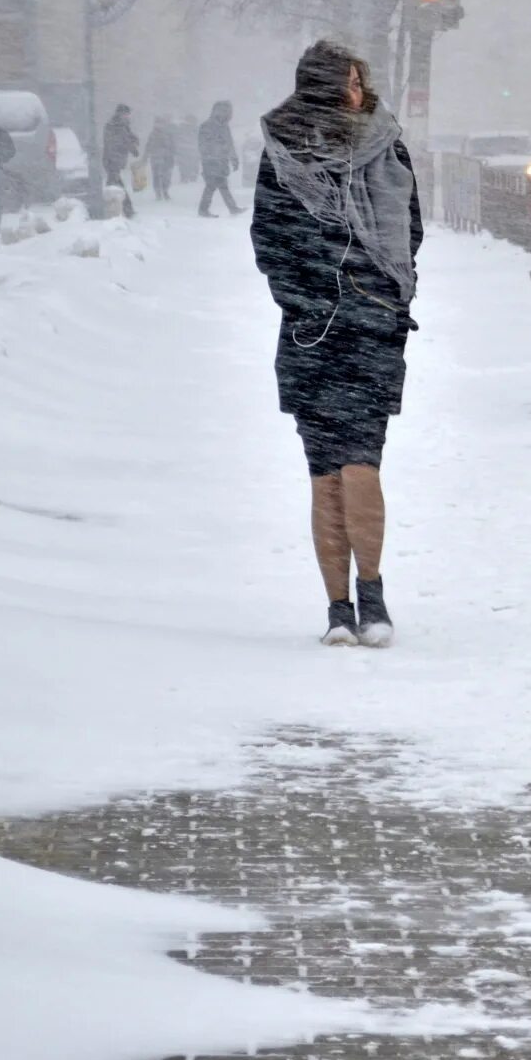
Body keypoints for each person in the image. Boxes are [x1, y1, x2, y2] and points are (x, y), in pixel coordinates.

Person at [251, 43, 422, 648]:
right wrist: (312, 302)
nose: (358, 91)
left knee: (357, 463)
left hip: (370, 328)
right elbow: (271, 242)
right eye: (349, 82)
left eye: (360, 80)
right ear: (326, 89)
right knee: (328, 471)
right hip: (317, 333)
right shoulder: (285, 158)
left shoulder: (385, 145)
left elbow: (410, 230)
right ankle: (344, 610)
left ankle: (363, 602)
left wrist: (385, 298)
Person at [197, 101, 244, 218]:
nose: (227, 114)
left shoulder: (224, 127)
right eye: (224, 111)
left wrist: (234, 158)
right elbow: (203, 145)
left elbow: (230, 143)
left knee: (221, 185)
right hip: (211, 162)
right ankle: (204, 210)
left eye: (228, 111)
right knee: (212, 185)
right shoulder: (207, 126)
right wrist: (212, 156)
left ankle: (232, 208)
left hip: (221, 161)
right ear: (217, 112)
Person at [103, 103, 138, 218]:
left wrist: (134, 140)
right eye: (127, 114)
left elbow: (128, 137)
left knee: (114, 185)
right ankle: (126, 209)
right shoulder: (116, 125)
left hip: (114, 160)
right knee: (116, 185)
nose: (128, 116)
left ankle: (121, 209)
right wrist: (132, 148)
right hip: (112, 160)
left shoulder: (120, 124)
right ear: (121, 114)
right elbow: (122, 140)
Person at [147, 116, 178, 201]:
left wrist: (173, 155)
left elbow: (173, 146)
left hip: (166, 158)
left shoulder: (168, 134)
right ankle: (158, 193)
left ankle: (165, 191)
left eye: (161, 123)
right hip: (156, 158)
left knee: (166, 176)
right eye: (157, 123)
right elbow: (148, 146)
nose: (159, 125)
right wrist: (145, 157)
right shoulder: (153, 134)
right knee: (157, 176)